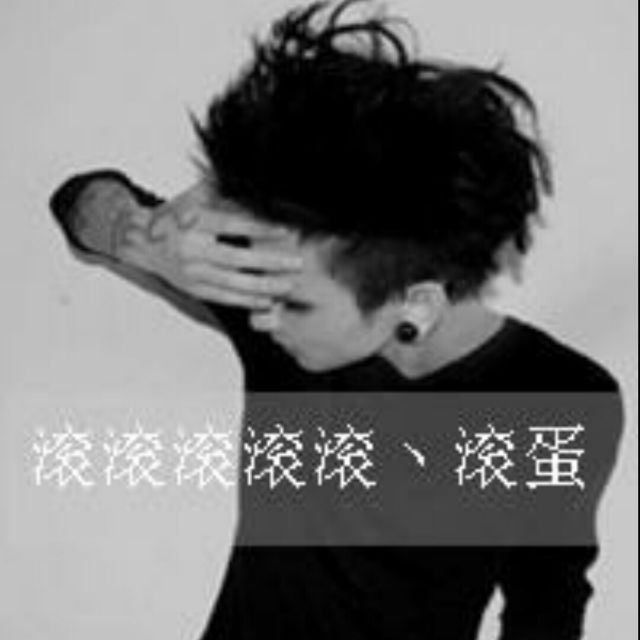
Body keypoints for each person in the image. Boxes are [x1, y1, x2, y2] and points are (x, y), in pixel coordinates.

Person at [49, 1, 624, 637]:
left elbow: (548, 603)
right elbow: (79, 201)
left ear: (417, 304)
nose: (263, 318)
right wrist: (138, 226)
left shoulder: (561, 398)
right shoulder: (279, 293)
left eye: (295, 305)